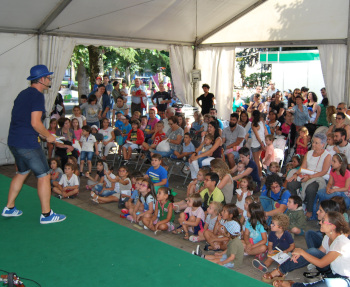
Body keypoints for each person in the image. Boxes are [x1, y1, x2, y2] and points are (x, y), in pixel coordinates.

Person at [2, 65, 66, 223]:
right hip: (27, 144)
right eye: (48, 78)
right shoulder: (37, 96)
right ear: (42, 79)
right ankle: (46, 215)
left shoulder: (22, 94)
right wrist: (49, 136)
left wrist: (41, 134)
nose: (50, 80)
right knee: (44, 175)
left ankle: (9, 208)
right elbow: (35, 123)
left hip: (14, 141)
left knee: (22, 172)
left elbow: (22, 120)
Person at [271, 211, 350, 287]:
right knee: (312, 252)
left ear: (333, 226)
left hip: (344, 280)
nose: (320, 223)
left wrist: (302, 253)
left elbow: (321, 263)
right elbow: (316, 254)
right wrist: (302, 255)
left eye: (323, 221)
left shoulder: (340, 242)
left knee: (324, 285)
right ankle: (280, 271)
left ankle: (293, 285)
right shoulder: (327, 237)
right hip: (332, 272)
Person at [287, 133, 331, 219]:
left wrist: (310, 177)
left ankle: (309, 210)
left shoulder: (327, 155)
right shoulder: (309, 153)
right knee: (291, 183)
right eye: (313, 142)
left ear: (323, 144)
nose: (313, 144)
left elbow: (324, 171)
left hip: (319, 177)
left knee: (311, 188)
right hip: (306, 175)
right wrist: (296, 174)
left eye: (316, 143)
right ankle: (298, 205)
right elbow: (303, 167)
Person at [251, 110, 267, 178]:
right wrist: (264, 144)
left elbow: (257, 136)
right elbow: (265, 133)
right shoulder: (262, 123)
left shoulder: (254, 124)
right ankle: (260, 175)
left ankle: (258, 176)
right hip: (262, 143)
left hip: (255, 144)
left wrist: (261, 144)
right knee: (258, 159)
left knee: (256, 161)